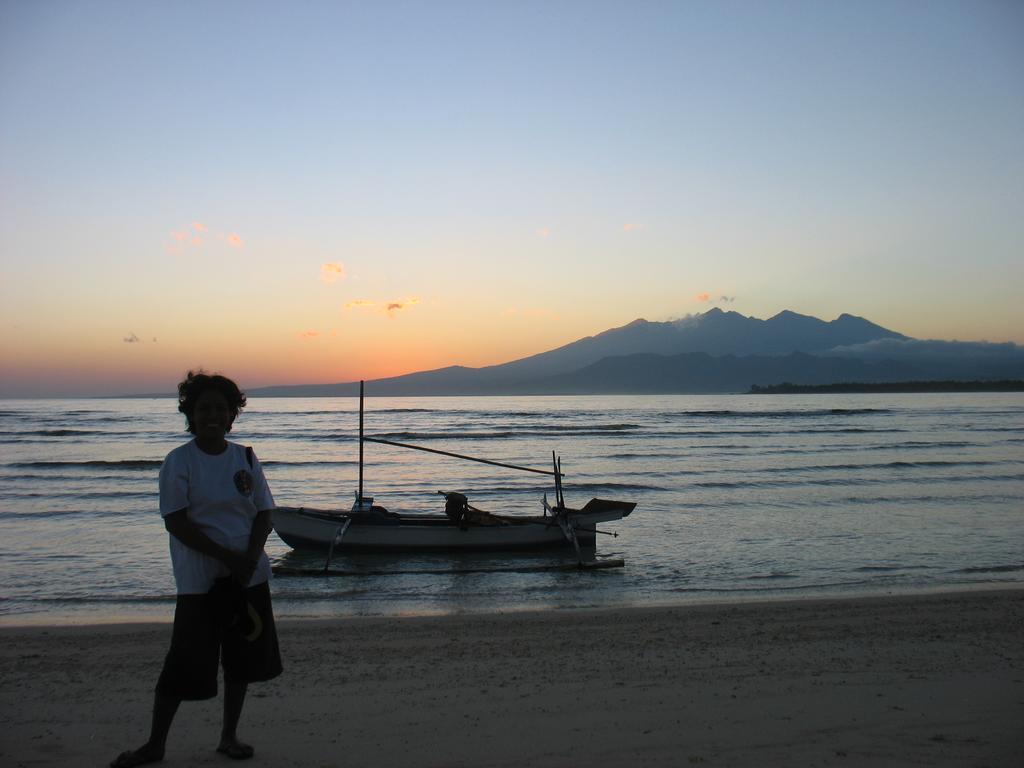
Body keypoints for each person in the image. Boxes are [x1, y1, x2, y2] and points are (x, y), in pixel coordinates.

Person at [112, 371, 282, 767]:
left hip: (248, 580)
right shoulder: (179, 462)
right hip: (199, 584)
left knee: (241, 662)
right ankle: (155, 744)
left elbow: (264, 513)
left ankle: (229, 736)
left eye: (220, 409)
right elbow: (177, 522)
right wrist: (229, 559)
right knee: (184, 665)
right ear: (190, 414)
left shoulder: (245, 458)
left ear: (231, 416)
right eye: (203, 408)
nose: (212, 415)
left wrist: (249, 559)